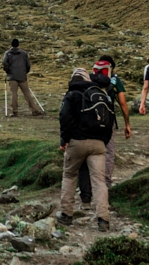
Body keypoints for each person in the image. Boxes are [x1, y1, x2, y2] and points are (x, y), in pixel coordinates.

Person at [55, 68, 113, 232]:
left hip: (77, 142)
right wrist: (104, 141)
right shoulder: (100, 95)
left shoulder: (72, 94)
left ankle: (66, 214)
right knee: (99, 181)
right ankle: (103, 219)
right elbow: (110, 121)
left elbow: (64, 117)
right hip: (99, 144)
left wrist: (64, 140)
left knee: (69, 175)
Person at [78, 56, 132, 207]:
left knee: (87, 153)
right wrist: (127, 124)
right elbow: (122, 103)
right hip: (108, 123)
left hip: (89, 122)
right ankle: (105, 184)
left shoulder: (89, 77)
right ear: (111, 68)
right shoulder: (115, 80)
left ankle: (86, 192)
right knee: (108, 152)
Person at [2, 38, 44, 116]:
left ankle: (15, 111)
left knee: (14, 94)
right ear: (18, 45)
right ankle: (34, 110)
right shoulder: (24, 53)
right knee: (27, 93)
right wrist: (25, 72)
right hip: (22, 76)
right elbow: (28, 65)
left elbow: (4, 64)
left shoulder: (7, 53)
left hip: (12, 76)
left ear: (11, 44)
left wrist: (8, 71)